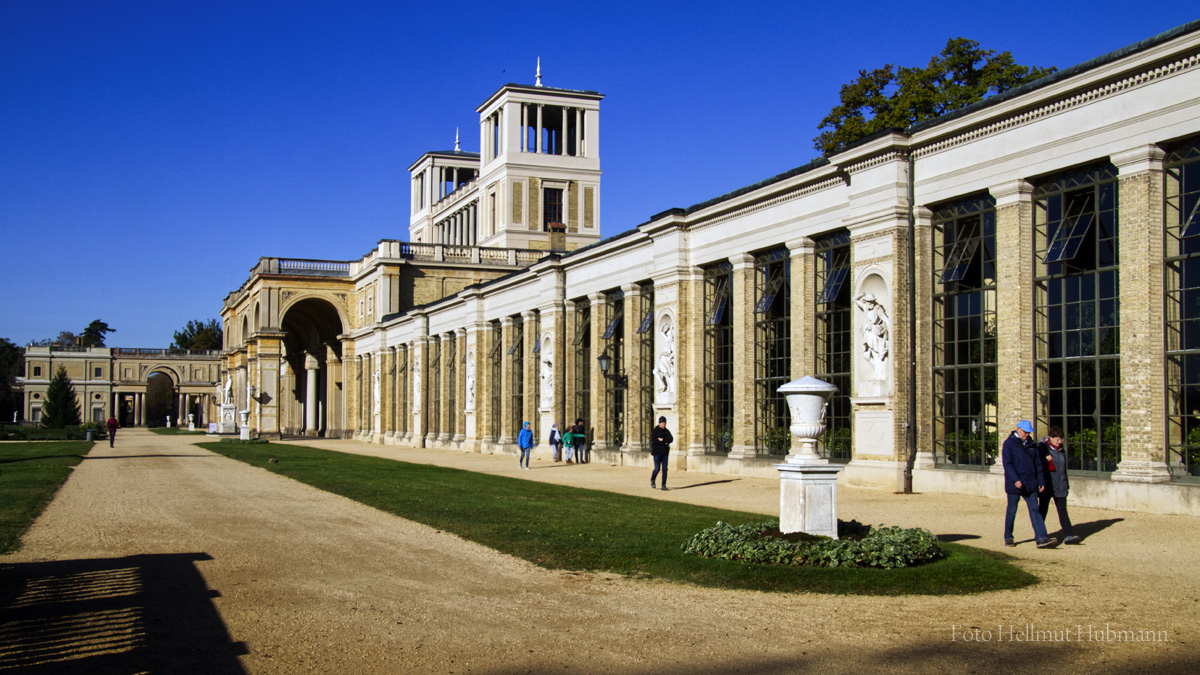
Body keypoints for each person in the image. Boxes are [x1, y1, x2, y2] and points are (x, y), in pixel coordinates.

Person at [1003, 420, 1056, 548]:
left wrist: (1041, 481)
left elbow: (1038, 464)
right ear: (1018, 429)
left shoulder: (1032, 445)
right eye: (1025, 432)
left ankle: (1041, 537)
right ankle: (1008, 536)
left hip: (1030, 482)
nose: (1027, 434)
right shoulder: (1009, 444)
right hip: (1015, 484)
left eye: (1028, 432)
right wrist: (1015, 480)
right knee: (1012, 510)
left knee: (1035, 509)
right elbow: (1008, 465)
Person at [1038, 426, 1079, 543]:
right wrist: (1045, 461)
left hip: (1060, 485)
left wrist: (1066, 484)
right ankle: (1040, 535)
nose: (1059, 442)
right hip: (1047, 485)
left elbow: (1063, 470)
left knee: (1062, 511)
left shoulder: (1062, 451)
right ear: (1051, 438)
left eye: (1061, 439)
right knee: (1043, 510)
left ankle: (1069, 535)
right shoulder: (1043, 449)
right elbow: (1037, 465)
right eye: (1057, 439)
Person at [650, 416, 674, 490]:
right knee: (657, 469)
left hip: (665, 453)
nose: (664, 425)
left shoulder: (666, 431)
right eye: (662, 424)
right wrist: (665, 442)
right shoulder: (655, 431)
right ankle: (653, 479)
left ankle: (663, 485)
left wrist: (662, 440)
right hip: (657, 453)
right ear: (659, 423)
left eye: (664, 423)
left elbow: (671, 439)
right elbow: (654, 440)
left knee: (664, 469)